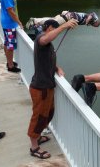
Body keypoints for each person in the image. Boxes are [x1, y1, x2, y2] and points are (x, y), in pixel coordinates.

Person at [28, 18, 78, 159]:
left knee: (48, 114)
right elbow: (45, 39)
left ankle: (37, 137)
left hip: (48, 87)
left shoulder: (47, 45)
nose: (55, 33)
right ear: (48, 28)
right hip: (40, 88)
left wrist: (57, 68)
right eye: (54, 29)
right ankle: (34, 147)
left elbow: (45, 59)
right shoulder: (40, 39)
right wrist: (64, 26)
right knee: (38, 117)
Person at [0, 0, 22, 73]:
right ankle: (10, 66)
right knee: (11, 46)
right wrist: (19, 22)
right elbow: (11, 12)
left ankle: (9, 61)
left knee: (7, 43)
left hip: (5, 22)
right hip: (10, 24)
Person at [25, 11, 100, 35]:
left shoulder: (89, 22)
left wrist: (70, 25)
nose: (93, 26)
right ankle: (35, 22)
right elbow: (91, 15)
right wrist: (88, 20)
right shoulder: (93, 18)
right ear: (95, 22)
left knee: (53, 20)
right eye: (95, 25)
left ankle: (37, 23)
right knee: (53, 23)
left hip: (68, 17)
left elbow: (78, 21)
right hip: (68, 17)